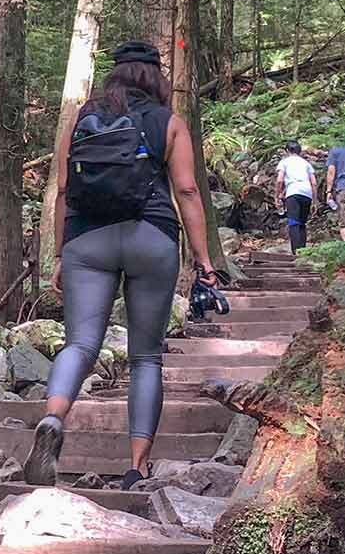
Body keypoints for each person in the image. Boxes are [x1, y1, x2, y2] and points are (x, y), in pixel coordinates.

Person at [25, 40, 219, 492]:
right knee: (146, 357)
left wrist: (60, 252)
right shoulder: (168, 122)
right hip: (150, 237)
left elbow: (64, 189)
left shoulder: (84, 117)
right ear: (156, 79)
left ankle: (53, 419)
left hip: (87, 241)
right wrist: (205, 262)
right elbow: (188, 192)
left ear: (115, 75)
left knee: (79, 344)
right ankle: (137, 467)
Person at [275, 140, 316, 251]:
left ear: (287, 150)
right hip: (307, 194)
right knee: (302, 223)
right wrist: (315, 201)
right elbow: (314, 183)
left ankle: (295, 252)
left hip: (293, 193)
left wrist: (277, 195)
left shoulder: (285, 162)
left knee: (293, 222)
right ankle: (303, 251)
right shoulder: (306, 163)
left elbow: (279, 180)